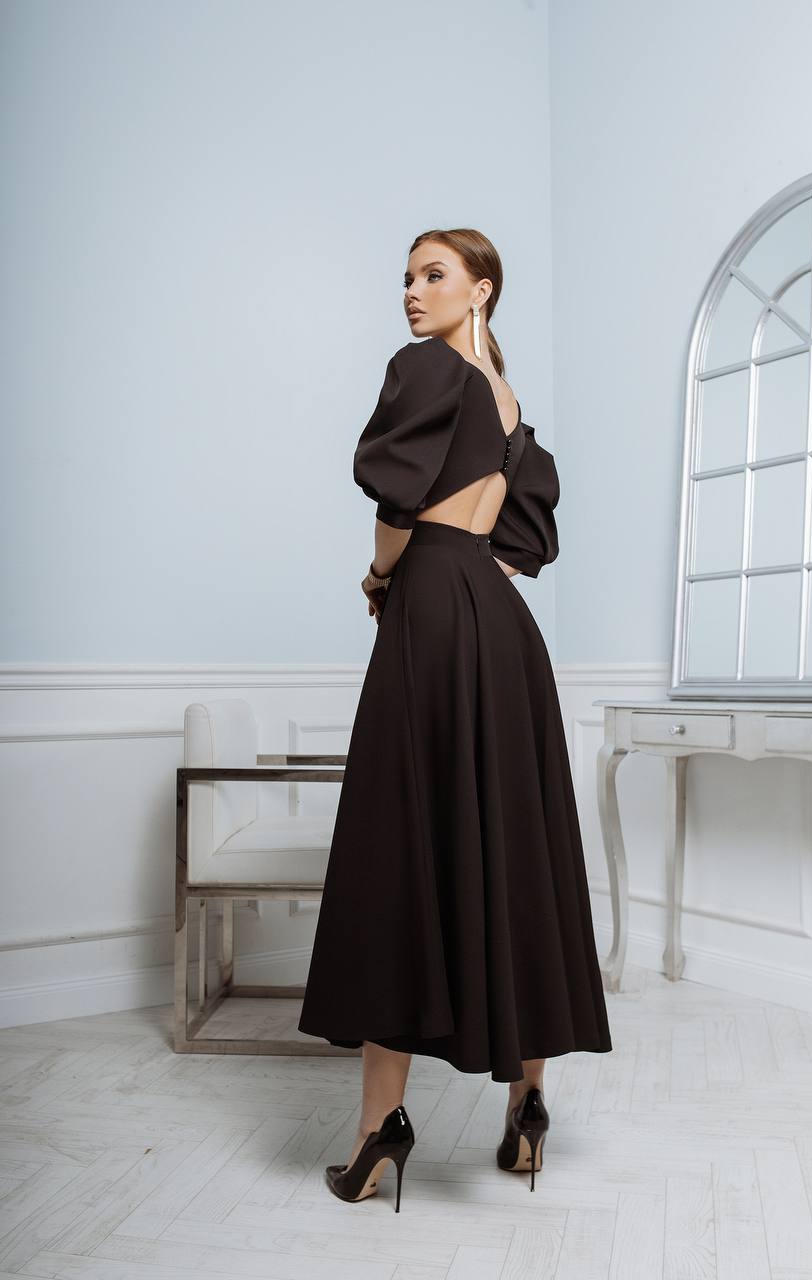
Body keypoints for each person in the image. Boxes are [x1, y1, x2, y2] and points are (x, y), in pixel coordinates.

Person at [297, 227, 613, 1210]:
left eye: (433, 274)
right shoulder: (510, 407)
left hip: (430, 607)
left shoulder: (427, 369)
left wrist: (380, 575)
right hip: (501, 623)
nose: (411, 291)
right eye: (406, 277)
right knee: (517, 846)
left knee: (399, 847)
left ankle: (378, 1130)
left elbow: (397, 510)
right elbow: (520, 543)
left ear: (481, 289)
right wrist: (461, 572)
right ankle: (527, 1110)